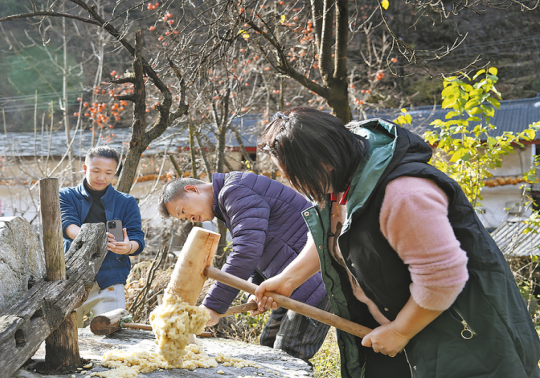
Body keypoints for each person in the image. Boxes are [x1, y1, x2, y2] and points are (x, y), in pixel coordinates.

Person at [253, 107, 540, 378]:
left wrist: (401, 331)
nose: (290, 181)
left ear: (323, 162)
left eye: (293, 173)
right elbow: (331, 237)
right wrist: (288, 279)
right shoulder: (340, 179)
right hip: (397, 332)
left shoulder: (404, 195)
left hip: (465, 337)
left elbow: (443, 279)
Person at [158, 172, 331, 362]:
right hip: (292, 283)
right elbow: (262, 248)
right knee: (268, 346)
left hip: (318, 278)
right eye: (183, 218)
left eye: (183, 210)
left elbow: (247, 251)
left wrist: (212, 306)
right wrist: (255, 288)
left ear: (192, 189)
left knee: (288, 354)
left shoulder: (236, 190)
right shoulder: (231, 196)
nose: (190, 218)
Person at [60, 146, 145, 327]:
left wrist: (128, 247)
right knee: (64, 336)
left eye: (108, 172)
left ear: (114, 173)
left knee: (111, 335)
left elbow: (137, 237)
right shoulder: (66, 196)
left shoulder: (126, 202)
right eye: (96, 171)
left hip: (110, 278)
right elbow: (67, 226)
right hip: (69, 278)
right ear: (85, 169)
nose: (101, 177)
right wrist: (96, 238)